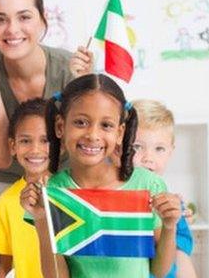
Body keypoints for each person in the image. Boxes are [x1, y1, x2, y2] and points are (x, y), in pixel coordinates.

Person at [0, 0, 94, 278]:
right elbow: (0, 158)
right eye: (1, 19)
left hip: (58, 185)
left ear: (42, 19)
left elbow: (87, 145)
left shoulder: (68, 68)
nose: (12, 29)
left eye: (24, 16)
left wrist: (83, 85)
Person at [20, 74, 181, 278]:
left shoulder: (148, 184)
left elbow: (159, 271)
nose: (93, 135)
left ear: (120, 133)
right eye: (80, 122)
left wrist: (169, 226)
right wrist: (42, 218)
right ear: (60, 126)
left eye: (106, 125)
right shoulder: (51, 191)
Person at [0, 98, 50, 278]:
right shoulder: (5, 202)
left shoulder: (71, 192)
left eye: (45, 140)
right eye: (25, 141)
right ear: (13, 146)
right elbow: (3, 267)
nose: (35, 149)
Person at [132, 99, 197, 278]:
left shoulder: (168, 198)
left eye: (159, 149)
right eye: (137, 147)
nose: (148, 158)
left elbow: (182, 253)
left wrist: (184, 214)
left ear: (171, 152)